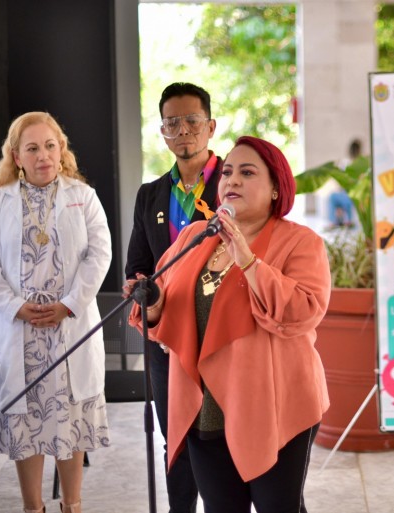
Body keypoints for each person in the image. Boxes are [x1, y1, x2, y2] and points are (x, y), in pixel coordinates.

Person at [128, 136, 330, 513]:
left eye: (248, 173)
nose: (232, 180)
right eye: (228, 172)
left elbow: (302, 312)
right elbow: (165, 309)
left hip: (274, 404)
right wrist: (150, 302)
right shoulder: (195, 236)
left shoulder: (301, 242)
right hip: (205, 407)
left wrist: (248, 261)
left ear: (275, 188)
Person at [0, 111, 112, 513]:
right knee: (26, 421)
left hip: (68, 326)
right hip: (20, 329)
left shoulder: (83, 197)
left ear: (61, 149)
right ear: (16, 156)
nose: (43, 155)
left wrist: (69, 304)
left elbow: (100, 253)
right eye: (32, 148)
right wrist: (14, 306)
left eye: (50, 146)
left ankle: (72, 505)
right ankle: (33, 507)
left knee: (69, 417)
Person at [124, 82, 221, 512]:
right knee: (176, 437)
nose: (183, 131)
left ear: (211, 127)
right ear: (162, 132)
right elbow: (137, 265)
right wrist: (140, 288)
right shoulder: (150, 195)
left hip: (221, 335)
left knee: (227, 436)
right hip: (167, 339)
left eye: (192, 121)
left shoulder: (235, 182)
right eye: (172, 123)